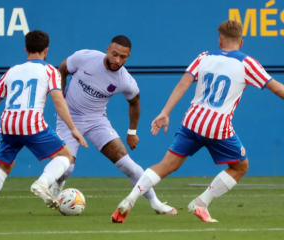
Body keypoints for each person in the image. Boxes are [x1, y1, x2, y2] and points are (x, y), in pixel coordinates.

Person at [111, 20, 284, 223]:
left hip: (191, 122)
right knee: (240, 167)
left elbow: (183, 84)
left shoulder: (204, 56)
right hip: (218, 127)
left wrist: (165, 112)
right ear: (241, 42)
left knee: (165, 165)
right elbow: (278, 89)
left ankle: (129, 200)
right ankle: (200, 204)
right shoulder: (247, 63)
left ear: (219, 41)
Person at [52, 35, 177, 215]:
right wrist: (60, 98)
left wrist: (132, 132)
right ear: (108, 50)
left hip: (97, 121)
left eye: (123, 57)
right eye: (115, 54)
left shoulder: (124, 80)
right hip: (69, 119)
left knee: (129, 165)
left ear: (128, 57)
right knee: (67, 168)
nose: (117, 60)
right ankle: (58, 184)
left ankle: (156, 203)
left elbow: (135, 102)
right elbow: (62, 69)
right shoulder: (85, 57)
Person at [0, 30, 88, 220]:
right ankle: (43, 183)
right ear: (46, 50)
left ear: (26, 48)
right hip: (30, 122)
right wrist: (73, 129)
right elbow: (58, 101)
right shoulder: (50, 70)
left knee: (4, 166)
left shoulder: (11, 71)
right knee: (66, 156)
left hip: (8, 123)